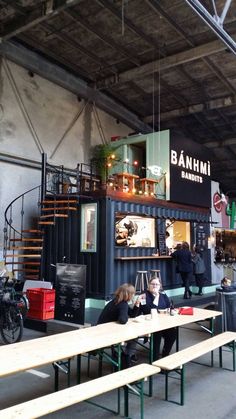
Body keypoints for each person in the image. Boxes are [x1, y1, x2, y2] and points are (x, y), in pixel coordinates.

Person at [97, 283, 139, 367]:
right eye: (133, 294)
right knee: (134, 337)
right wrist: (126, 316)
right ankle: (127, 356)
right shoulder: (122, 304)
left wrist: (137, 305)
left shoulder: (116, 301)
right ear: (128, 294)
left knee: (133, 337)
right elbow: (123, 320)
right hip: (105, 334)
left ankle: (125, 355)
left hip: (100, 330)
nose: (133, 296)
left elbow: (132, 314)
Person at [138, 278, 177, 361]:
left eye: (157, 284)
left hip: (163, 324)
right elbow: (148, 310)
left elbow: (169, 307)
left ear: (160, 286)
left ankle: (165, 354)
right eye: (153, 284)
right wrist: (156, 297)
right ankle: (155, 361)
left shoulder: (163, 295)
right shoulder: (144, 295)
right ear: (149, 285)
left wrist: (172, 310)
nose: (155, 286)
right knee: (157, 335)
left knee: (173, 333)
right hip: (149, 325)